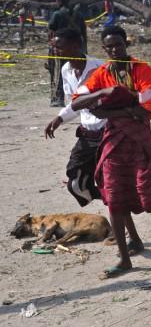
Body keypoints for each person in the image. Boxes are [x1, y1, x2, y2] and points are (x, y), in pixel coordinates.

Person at [70, 25, 151, 279]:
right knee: (113, 198)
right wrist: (106, 93)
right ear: (104, 48)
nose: (115, 49)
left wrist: (107, 107)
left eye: (118, 44)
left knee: (147, 196)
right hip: (113, 142)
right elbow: (78, 102)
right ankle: (125, 259)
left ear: (126, 44)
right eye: (109, 46)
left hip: (138, 140)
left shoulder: (141, 70)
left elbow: (145, 108)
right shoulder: (101, 74)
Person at [44, 28, 106, 207]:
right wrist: (59, 119)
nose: (56, 51)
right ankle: (111, 200)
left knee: (107, 180)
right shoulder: (65, 70)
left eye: (60, 47)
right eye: (55, 47)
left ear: (76, 46)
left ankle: (118, 208)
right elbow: (75, 104)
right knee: (75, 182)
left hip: (107, 131)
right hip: (87, 134)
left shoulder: (99, 68)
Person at [48, 0, 87, 107]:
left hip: (62, 48)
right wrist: (84, 49)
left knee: (58, 72)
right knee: (79, 72)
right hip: (77, 48)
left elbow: (51, 32)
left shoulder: (57, 14)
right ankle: (81, 96)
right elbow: (84, 34)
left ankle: (58, 98)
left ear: (59, 0)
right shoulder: (79, 15)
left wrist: (51, 47)